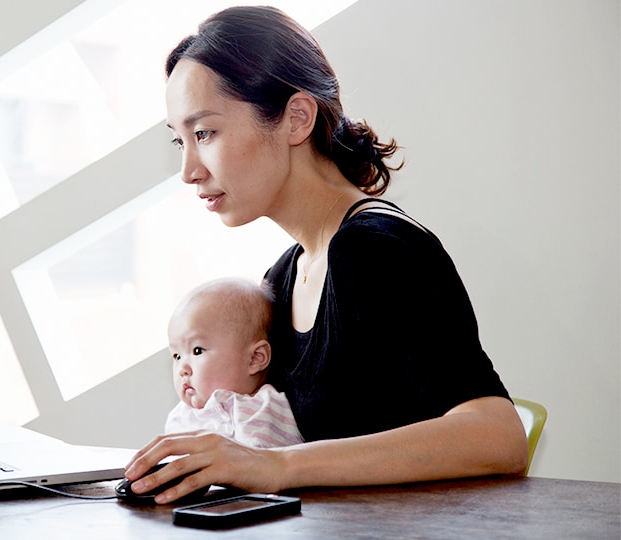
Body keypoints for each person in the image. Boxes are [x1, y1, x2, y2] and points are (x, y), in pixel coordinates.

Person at [124, 6, 527, 503]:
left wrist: (276, 467)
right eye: (179, 141)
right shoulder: (286, 276)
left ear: (296, 118)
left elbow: (498, 435)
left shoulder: (375, 250)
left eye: (204, 133)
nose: (188, 170)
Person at [164, 277, 304, 448]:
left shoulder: (262, 410)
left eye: (197, 351)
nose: (182, 369)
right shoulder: (180, 416)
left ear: (255, 358)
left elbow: (267, 467)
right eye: (177, 356)